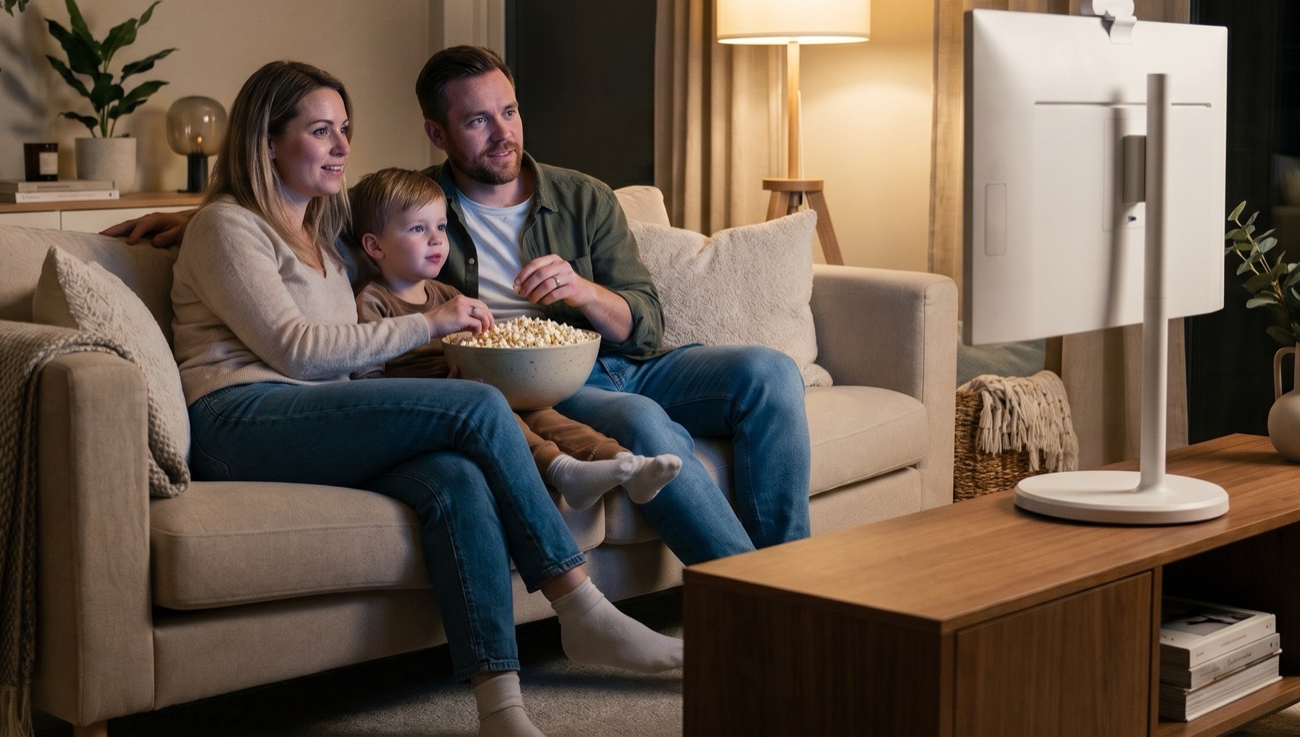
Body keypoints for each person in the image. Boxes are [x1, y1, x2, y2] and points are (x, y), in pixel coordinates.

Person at [107, 46, 812, 565]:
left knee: (769, 373)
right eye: (478, 121)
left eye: (508, 111)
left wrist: (583, 290)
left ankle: (797, 578)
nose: (503, 132)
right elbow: (284, 209)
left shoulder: (583, 196)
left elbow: (645, 324)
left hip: (621, 354)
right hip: (543, 381)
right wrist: (185, 218)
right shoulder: (403, 206)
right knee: (640, 420)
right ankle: (748, 600)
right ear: (438, 135)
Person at [170, 61, 681, 737]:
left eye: (344, 130)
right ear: (266, 141)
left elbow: (388, 226)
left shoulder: (324, 231)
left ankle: (501, 710)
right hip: (240, 418)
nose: (342, 146)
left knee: (456, 478)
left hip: (316, 417)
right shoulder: (229, 227)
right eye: (320, 131)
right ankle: (582, 606)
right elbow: (295, 348)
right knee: (477, 405)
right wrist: (429, 322)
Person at [346, 166, 682, 511]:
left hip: (475, 389)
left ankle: (625, 464)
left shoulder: (448, 295)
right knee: (506, 418)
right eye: (418, 229)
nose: (436, 239)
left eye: (441, 227)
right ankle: (563, 470)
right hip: (431, 405)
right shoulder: (372, 301)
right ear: (374, 246)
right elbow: (368, 381)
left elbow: (477, 346)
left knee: (543, 413)